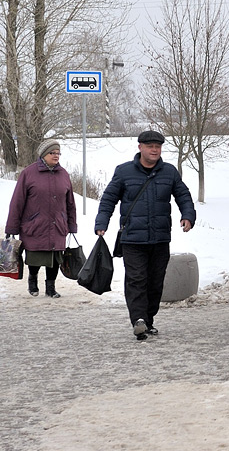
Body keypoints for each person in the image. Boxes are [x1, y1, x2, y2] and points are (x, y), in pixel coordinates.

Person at [95, 130, 196, 340]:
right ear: (140, 147)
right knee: (136, 279)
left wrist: (188, 215)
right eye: (150, 146)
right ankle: (138, 320)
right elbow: (108, 200)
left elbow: (183, 195)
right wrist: (101, 223)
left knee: (155, 281)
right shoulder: (123, 172)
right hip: (132, 238)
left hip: (160, 239)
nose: (154, 150)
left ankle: (148, 320)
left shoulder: (169, 172)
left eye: (157, 147)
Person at [6, 139, 77, 298]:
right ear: (44, 154)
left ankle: (51, 288)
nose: (56, 156)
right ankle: (33, 281)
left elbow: (70, 203)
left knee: (55, 259)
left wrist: (71, 225)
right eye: (53, 153)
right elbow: (17, 202)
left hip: (58, 225)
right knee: (34, 257)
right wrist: (11, 228)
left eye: (58, 153)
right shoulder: (28, 173)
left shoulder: (64, 174)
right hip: (35, 225)